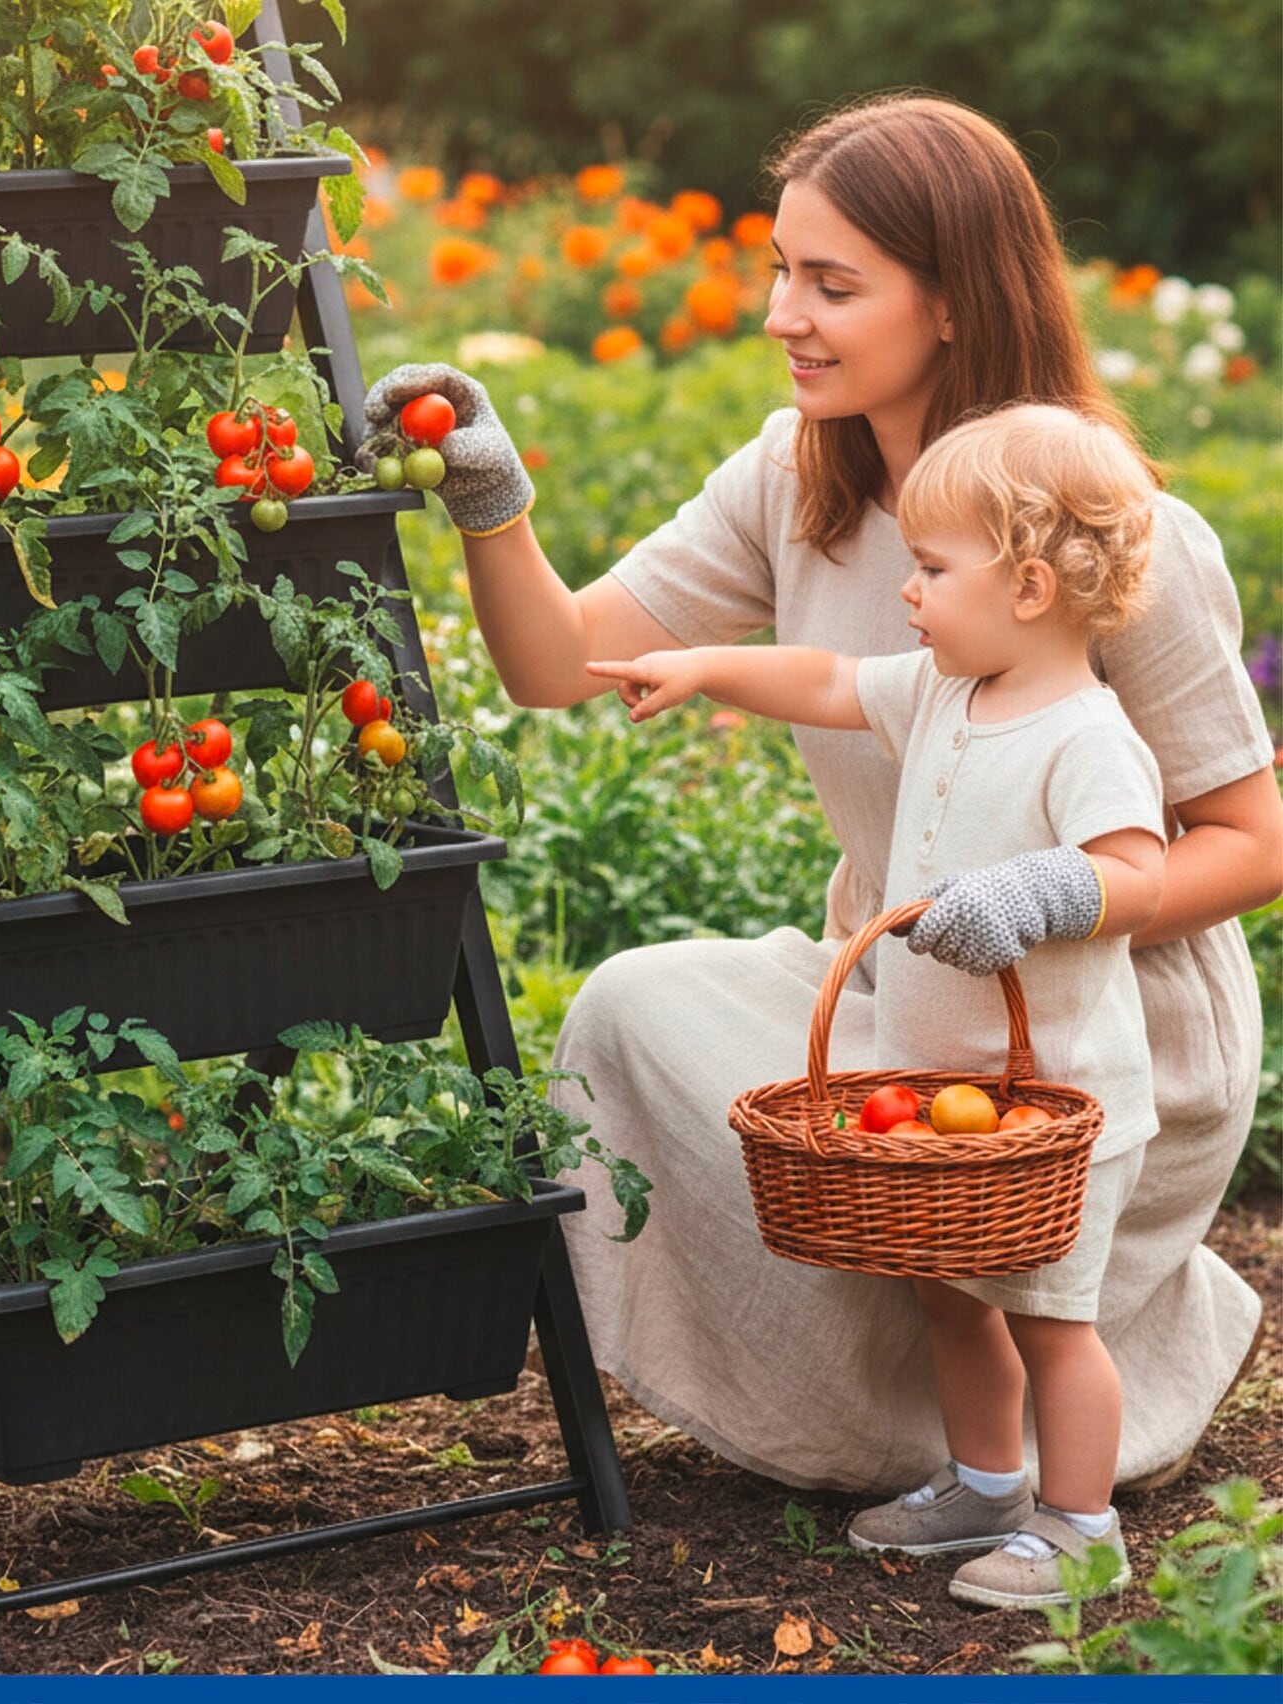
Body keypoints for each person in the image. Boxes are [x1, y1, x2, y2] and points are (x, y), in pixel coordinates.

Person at [361, 94, 1283, 1506]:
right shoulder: (799, 479)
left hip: (1101, 1031)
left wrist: (1053, 896)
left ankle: (1084, 1392)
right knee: (629, 1010)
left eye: (833, 284)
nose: (784, 313)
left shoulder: (1099, 535)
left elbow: (1250, 845)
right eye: (781, 268)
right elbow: (563, 662)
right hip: (904, 996)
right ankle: (941, 1438)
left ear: (958, 302)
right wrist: (493, 502)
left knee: (942, 1203)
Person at [587, 402, 1166, 1606]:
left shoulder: (1087, 735)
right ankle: (986, 1485)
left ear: (1025, 585)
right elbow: (828, 677)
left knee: (1056, 1320)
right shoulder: (949, 692)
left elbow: (1139, 875)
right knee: (953, 1303)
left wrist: (1037, 889)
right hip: (942, 1090)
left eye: (931, 568)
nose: (907, 591)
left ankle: (1080, 1526)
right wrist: (704, 666)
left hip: (1054, 1102)